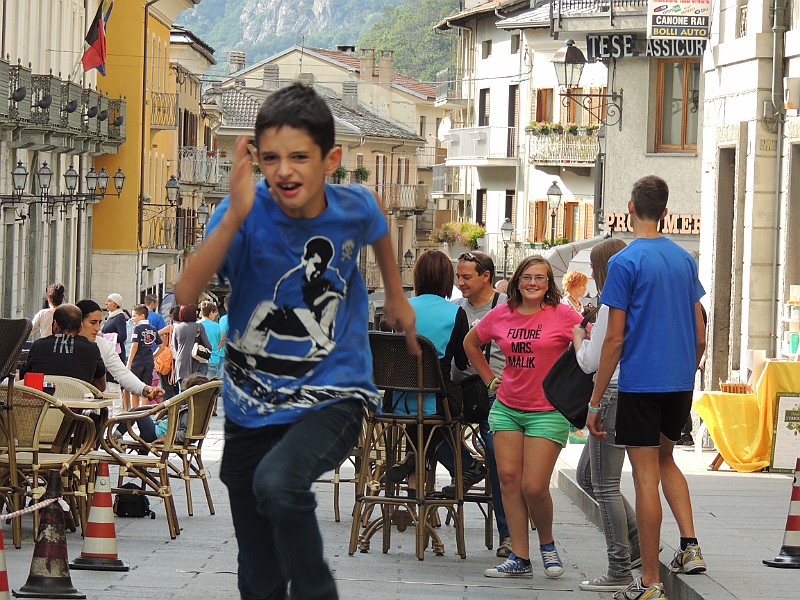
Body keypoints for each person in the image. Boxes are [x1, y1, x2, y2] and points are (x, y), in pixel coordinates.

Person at [173, 82, 417, 600]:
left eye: (300, 157)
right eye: (271, 158)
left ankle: (316, 591)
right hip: (248, 405)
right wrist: (234, 215)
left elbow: (375, 222)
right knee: (257, 568)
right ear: (255, 158)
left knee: (279, 483)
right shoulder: (243, 211)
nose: (284, 170)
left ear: (330, 160)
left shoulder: (353, 206)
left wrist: (396, 296)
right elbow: (186, 292)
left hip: (332, 394)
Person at [587, 175, 707, 600]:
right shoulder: (684, 260)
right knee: (666, 460)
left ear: (631, 208)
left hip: (640, 381)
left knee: (643, 478)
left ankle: (650, 582)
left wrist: (595, 399)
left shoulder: (624, 263)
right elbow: (700, 332)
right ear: (667, 212)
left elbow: (615, 339)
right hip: (678, 381)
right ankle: (687, 546)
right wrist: (687, 371)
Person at [465, 256, 583, 579]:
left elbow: (588, 343)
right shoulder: (501, 313)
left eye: (540, 279)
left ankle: (547, 544)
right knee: (508, 481)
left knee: (533, 486)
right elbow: (471, 343)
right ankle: (520, 556)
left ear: (549, 285)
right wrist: (490, 379)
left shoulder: (562, 314)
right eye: (527, 277)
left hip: (547, 411)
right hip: (506, 409)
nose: (533, 283)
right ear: (517, 281)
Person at [383, 250, 485, 498]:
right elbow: (462, 363)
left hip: (397, 401)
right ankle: (465, 465)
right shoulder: (455, 314)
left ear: (417, 277)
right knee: (439, 413)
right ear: (446, 279)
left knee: (420, 419)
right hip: (436, 401)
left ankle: (414, 459)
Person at [572, 238, 642, 592]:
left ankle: (619, 567)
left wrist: (577, 337)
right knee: (586, 474)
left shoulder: (608, 306)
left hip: (611, 391)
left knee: (604, 485)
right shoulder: (640, 300)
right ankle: (639, 545)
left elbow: (590, 362)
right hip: (637, 390)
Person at [452, 250, 512, 558]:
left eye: (466, 277)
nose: (460, 282)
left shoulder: (505, 308)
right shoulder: (455, 309)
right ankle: (465, 465)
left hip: (495, 396)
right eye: (458, 277)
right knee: (424, 435)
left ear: (486, 276)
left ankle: (509, 535)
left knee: (499, 456)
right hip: (461, 395)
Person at [77, 299, 164, 438]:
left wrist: (144, 389)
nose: (97, 328)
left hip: (89, 412)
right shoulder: (63, 344)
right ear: (78, 322)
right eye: (93, 322)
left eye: (99, 323)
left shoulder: (103, 345)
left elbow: (121, 372)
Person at [21, 304, 106, 391]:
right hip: (78, 403)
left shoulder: (38, 346)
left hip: (46, 402)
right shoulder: (91, 348)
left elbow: (24, 377)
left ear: (55, 325)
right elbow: (101, 387)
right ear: (80, 327)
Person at [126, 304, 164, 409]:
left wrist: (129, 364)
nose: (132, 318)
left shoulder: (137, 329)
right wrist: (153, 355)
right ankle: (143, 412)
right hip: (149, 362)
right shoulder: (153, 329)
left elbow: (134, 346)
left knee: (134, 389)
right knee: (146, 388)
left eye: (134, 316)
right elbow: (162, 346)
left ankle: (134, 412)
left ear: (142, 316)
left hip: (137, 362)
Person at [172, 304, 212, 390]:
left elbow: (175, 347)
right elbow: (208, 346)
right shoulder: (199, 327)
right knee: (197, 393)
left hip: (181, 364)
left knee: (182, 394)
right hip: (197, 364)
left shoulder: (177, 328)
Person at [102, 293, 128, 366]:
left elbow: (123, 337)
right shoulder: (111, 316)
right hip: (109, 352)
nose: (106, 303)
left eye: (109, 301)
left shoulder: (119, 316)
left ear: (116, 304)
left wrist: (105, 336)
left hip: (117, 354)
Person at [199, 301, 223, 378]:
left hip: (199, 358)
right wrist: (216, 349)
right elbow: (220, 341)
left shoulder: (197, 325)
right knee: (211, 387)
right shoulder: (217, 326)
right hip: (213, 359)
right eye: (215, 312)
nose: (216, 314)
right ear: (211, 312)